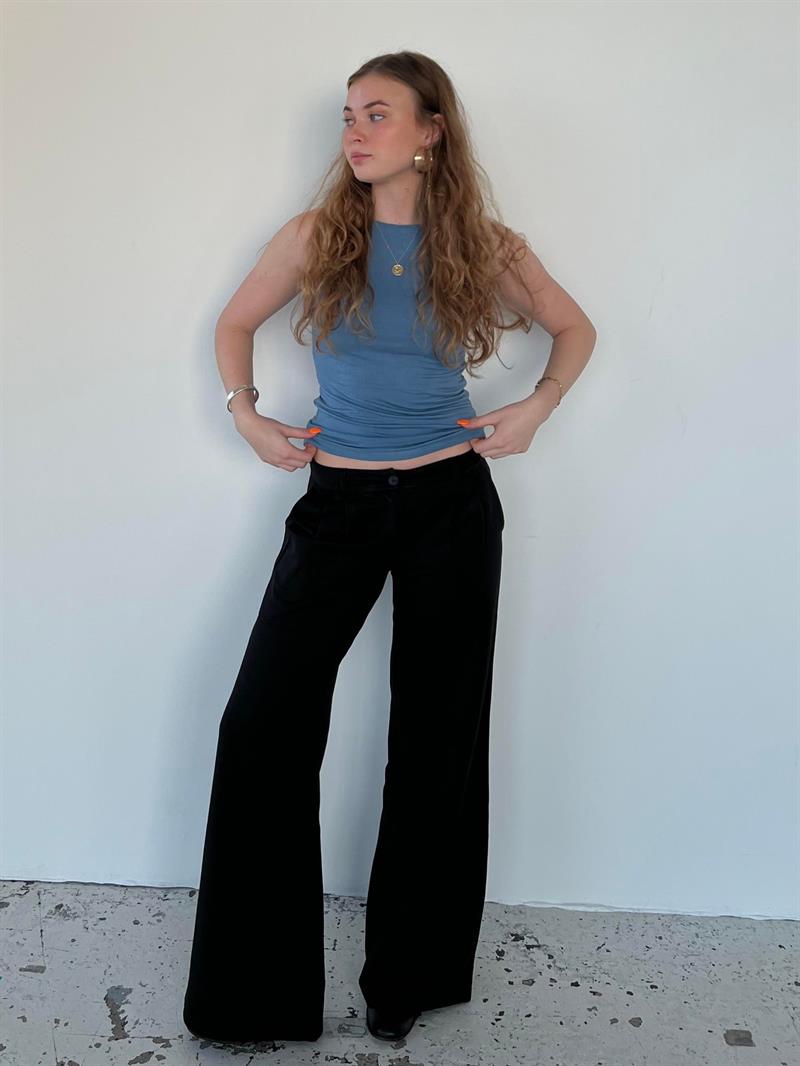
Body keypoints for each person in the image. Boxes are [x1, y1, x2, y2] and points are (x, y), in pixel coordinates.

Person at [182, 50, 597, 1048]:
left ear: (429, 131)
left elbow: (573, 328)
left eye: (377, 113)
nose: (355, 132)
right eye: (347, 116)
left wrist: (536, 405)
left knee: (436, 739)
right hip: (340, 505)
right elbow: (234, 323)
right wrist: (246, 412)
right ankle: (253, 995)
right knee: (262, 726)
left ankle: (407, 977)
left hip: (452, 503)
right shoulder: (316, 236)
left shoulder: (483, 245)